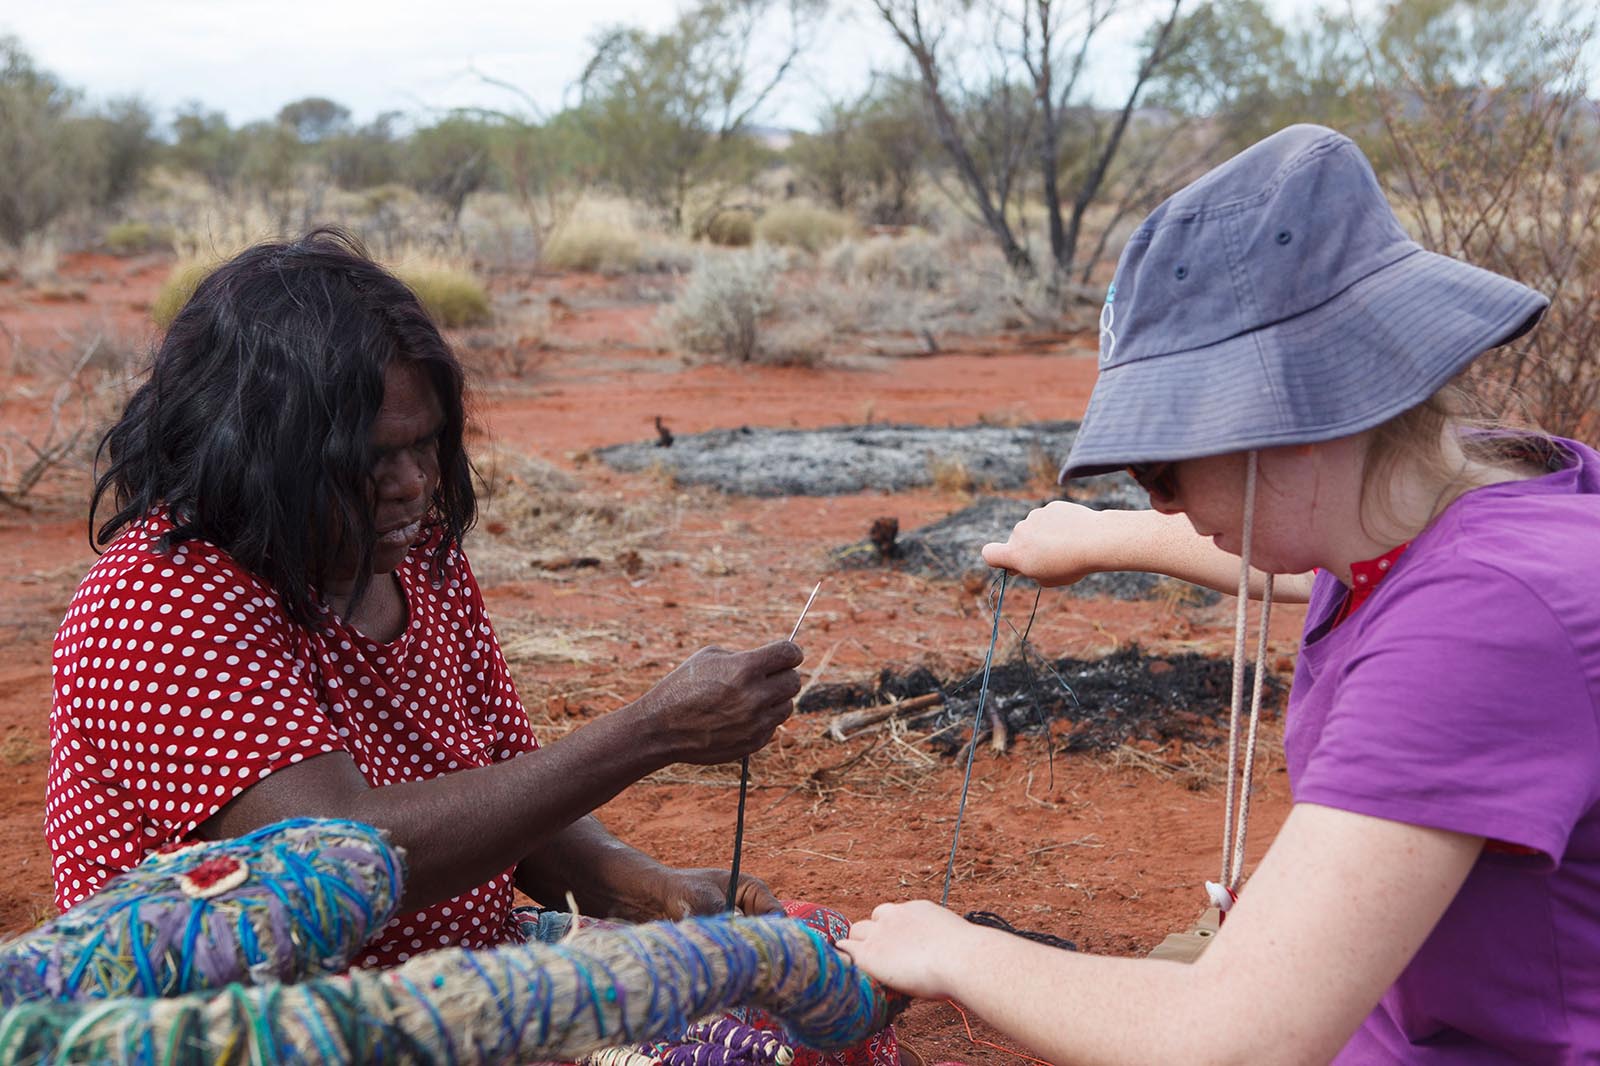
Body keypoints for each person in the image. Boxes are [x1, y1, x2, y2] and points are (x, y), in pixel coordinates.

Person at [839, 124, 1600, 1061]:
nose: (1158, 497)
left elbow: (1231, 1044)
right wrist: (1102, 538)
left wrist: (955, 952)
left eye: (1165, 462)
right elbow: (1307, 555)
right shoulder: (1472, 498)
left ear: (1295, 420)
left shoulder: (1481, 623)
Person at [46, 228, 806, 969]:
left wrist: (654, 893)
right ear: (255, 450)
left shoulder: (421, 562)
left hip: (459, 979)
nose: (411, 483)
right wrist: (649, 732)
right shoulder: (157, 602)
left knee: (811, 969)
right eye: (367, 458)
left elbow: (519, 802)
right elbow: (336, 861)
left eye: (424, 446)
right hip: (263, 1030)